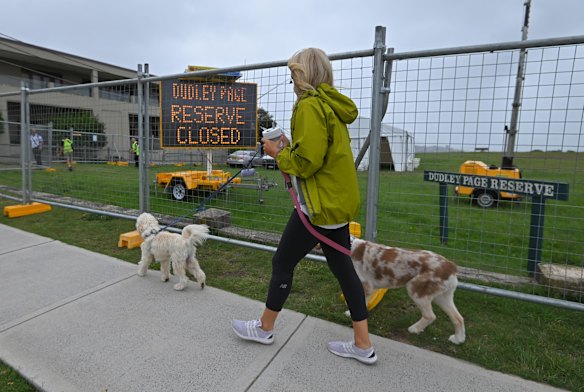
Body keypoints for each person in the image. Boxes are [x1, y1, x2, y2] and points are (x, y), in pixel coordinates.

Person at [231, 48, 377, 365]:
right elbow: (318, 152)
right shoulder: (331, 105)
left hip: (318, 208)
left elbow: (307, 163)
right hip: (336, 204)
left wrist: (275, 152)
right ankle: (363, 344)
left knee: (282, 262)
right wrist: (289, 147)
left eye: (292, 74)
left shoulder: (310, 106)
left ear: (302, 74)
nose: (291, 81)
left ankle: (265, 327)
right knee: (343, 270)